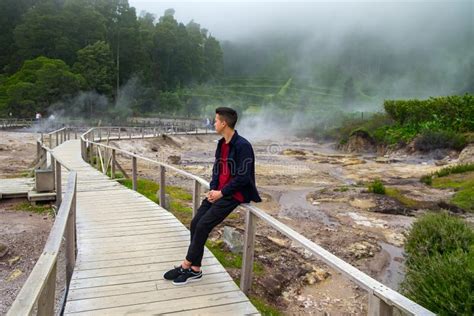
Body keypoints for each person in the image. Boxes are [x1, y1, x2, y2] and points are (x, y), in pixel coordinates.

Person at [163, 107, 261, 285]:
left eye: (215, 120)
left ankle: (185, 265)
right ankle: (195, 269)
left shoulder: (243, 146)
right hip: (218, 193)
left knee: (203, 226)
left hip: (234, 195)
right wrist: (213, 189)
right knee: (195, 223)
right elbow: (217, 170)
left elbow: (243, 176)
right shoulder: (221, 144)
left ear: (224, 123)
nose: (213, 123)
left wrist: (222, 192)